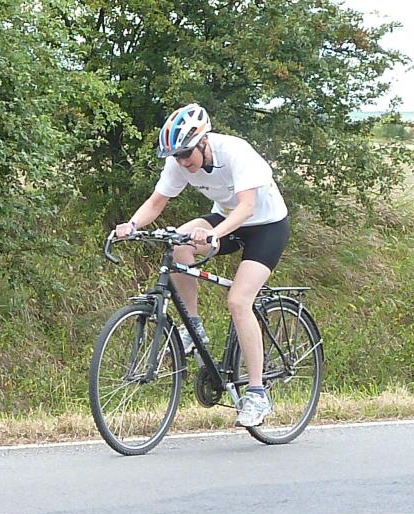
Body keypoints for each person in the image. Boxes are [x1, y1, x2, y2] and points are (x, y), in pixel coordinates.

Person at [114, 103, 289, 427]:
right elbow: (156, 202)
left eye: (186, 154)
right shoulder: (178, 162)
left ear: (203, 141)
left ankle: (257, 393)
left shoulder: (236, 152)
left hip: (266, 227)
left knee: (239, 301)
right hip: (227, 220)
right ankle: (193, 329)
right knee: (178, 243)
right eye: (176, 156)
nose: (182, 162)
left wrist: (213, 235)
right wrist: (131, 225)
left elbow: (247, 207)